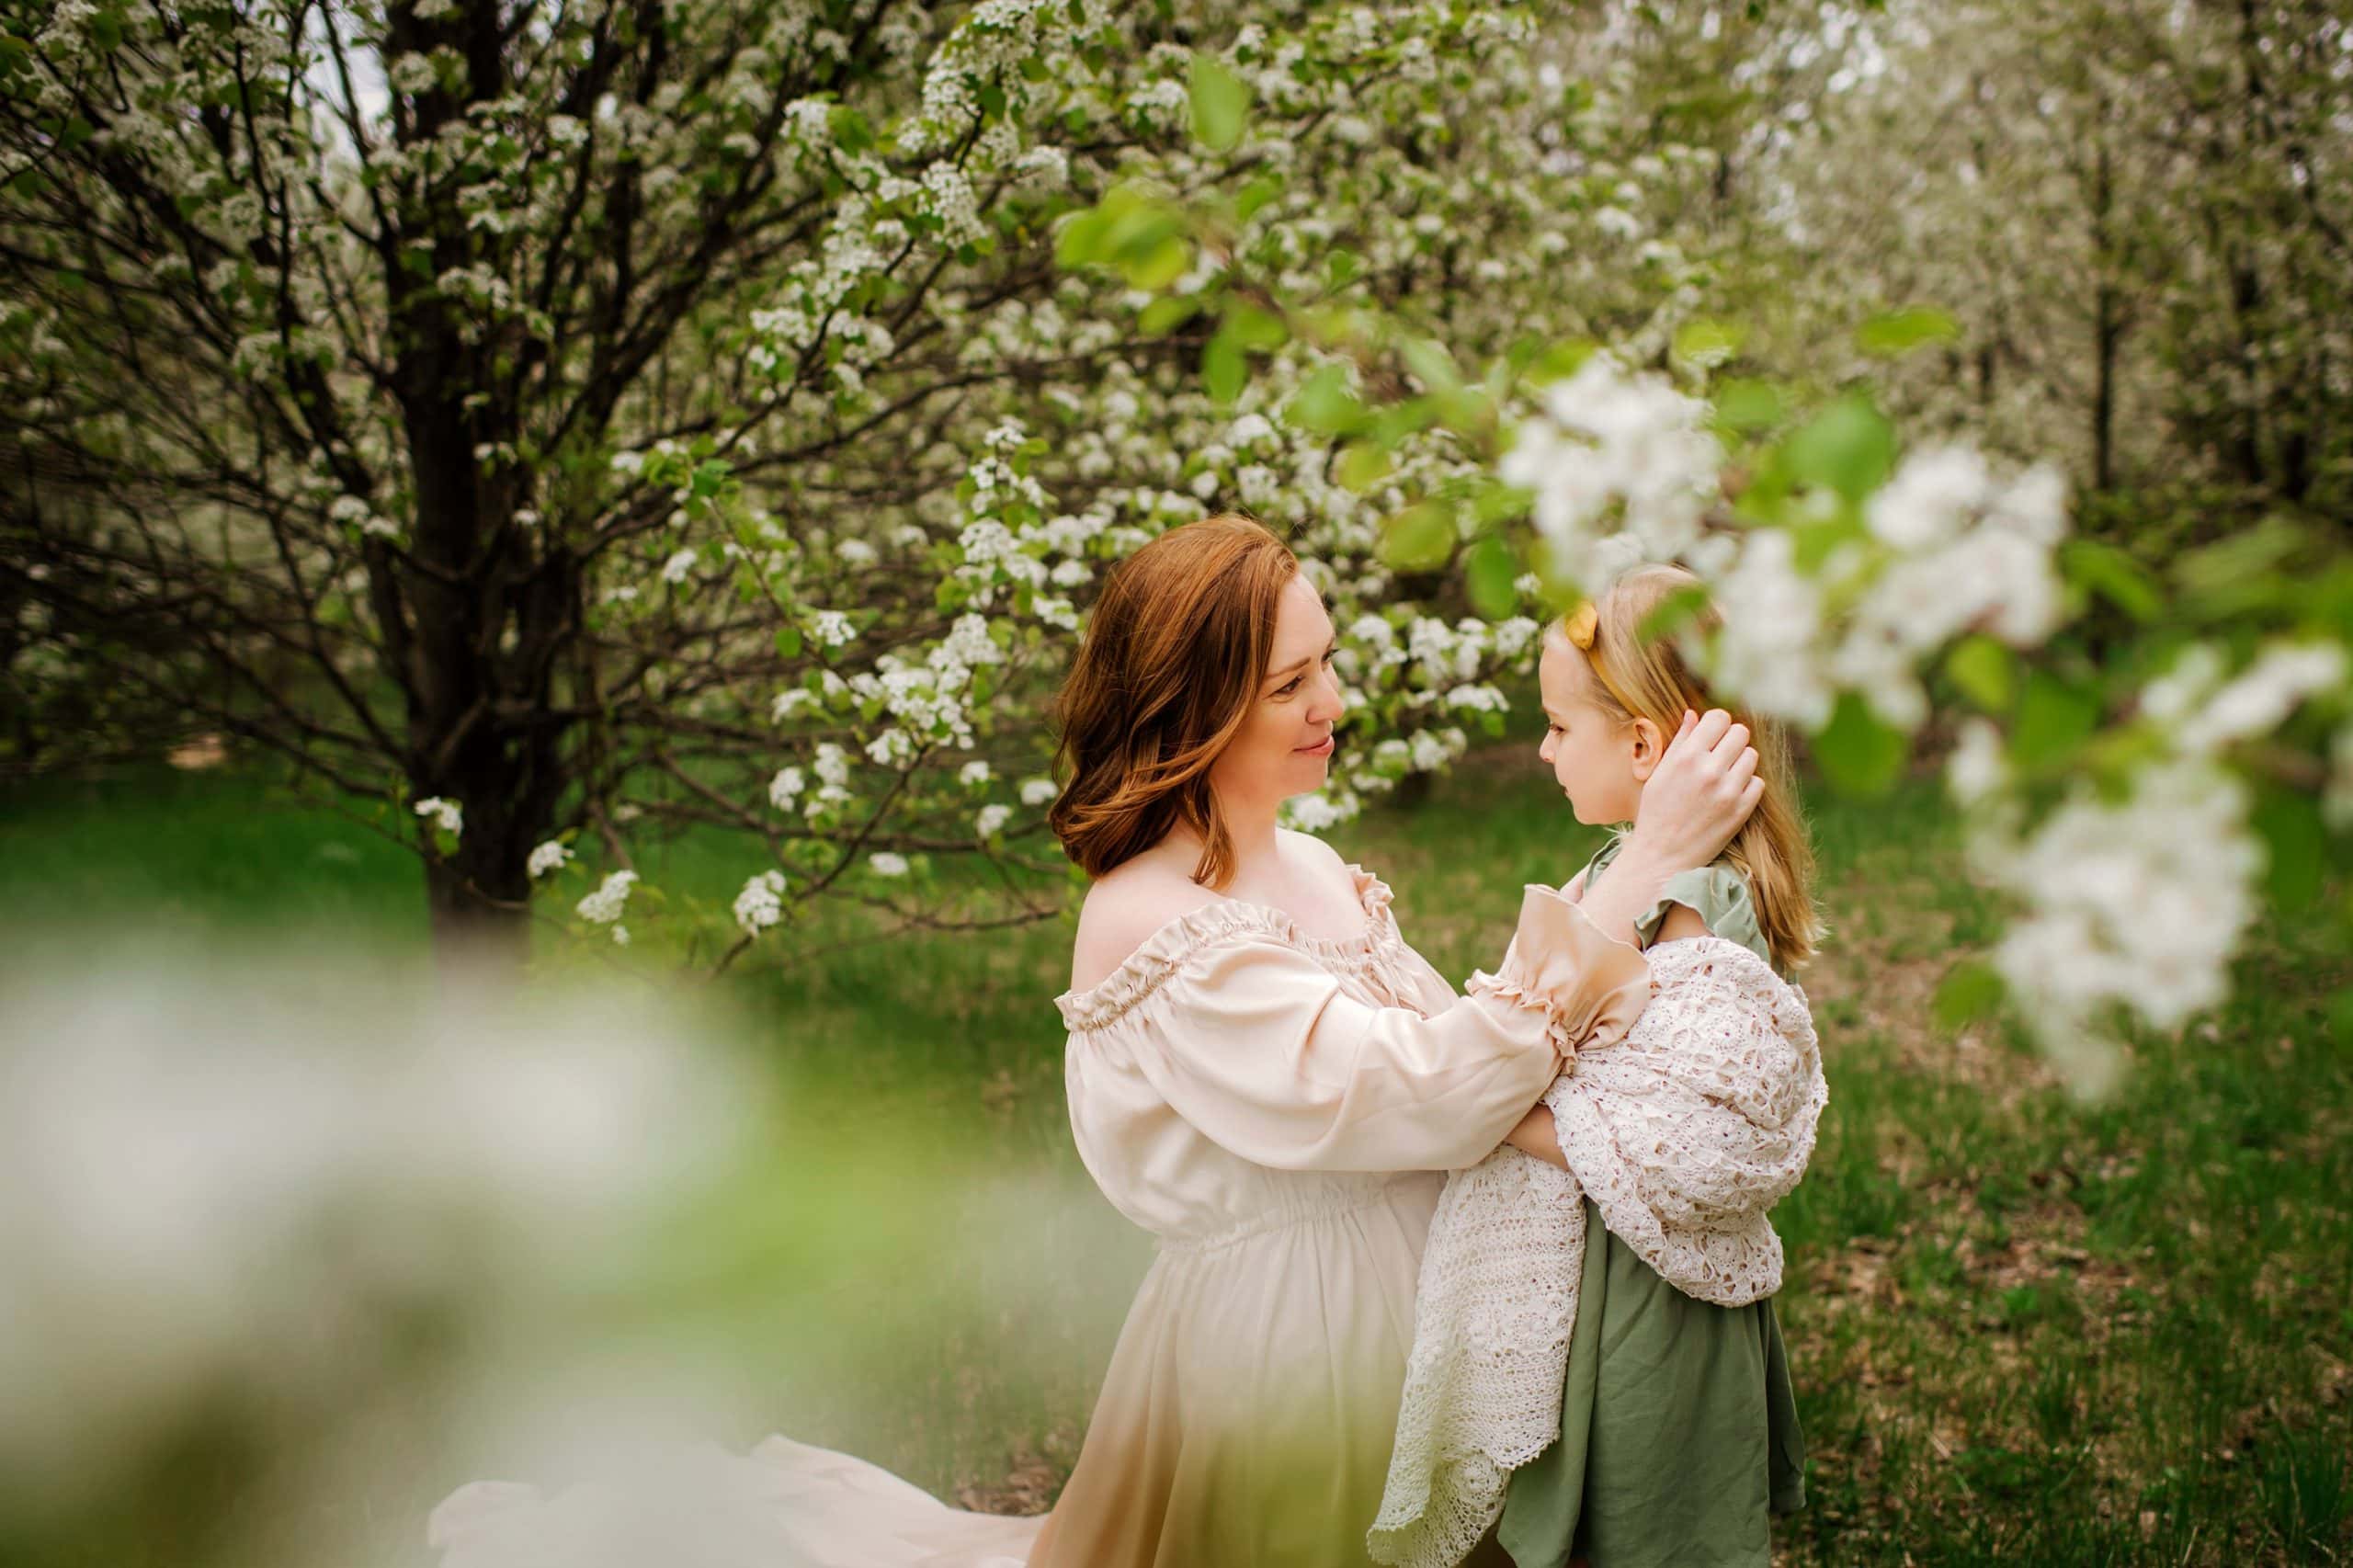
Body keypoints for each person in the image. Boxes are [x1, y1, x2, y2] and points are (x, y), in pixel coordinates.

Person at [427, 518, 1764, 1568]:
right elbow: (1415, 1090)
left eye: (1327, 663)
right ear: (1194, 711)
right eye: (1288, 683)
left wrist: (1608, 1128)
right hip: (1282, 1346)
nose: (1332, 701)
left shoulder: (1313, 865)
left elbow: (1472, 1058)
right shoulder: (1146, 924)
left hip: (1410, 1303)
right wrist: (1641, 858)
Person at [1370, 563, 1823, 1568]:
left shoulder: (1696, 903)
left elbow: (1679, 1138)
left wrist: (1489, 1113)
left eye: (1557, 726)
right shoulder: (1625, 874)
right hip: (1599, 1263)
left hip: (1647, 1289)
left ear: (1643, 742)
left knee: (1640, 1514)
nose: (1539, 748)